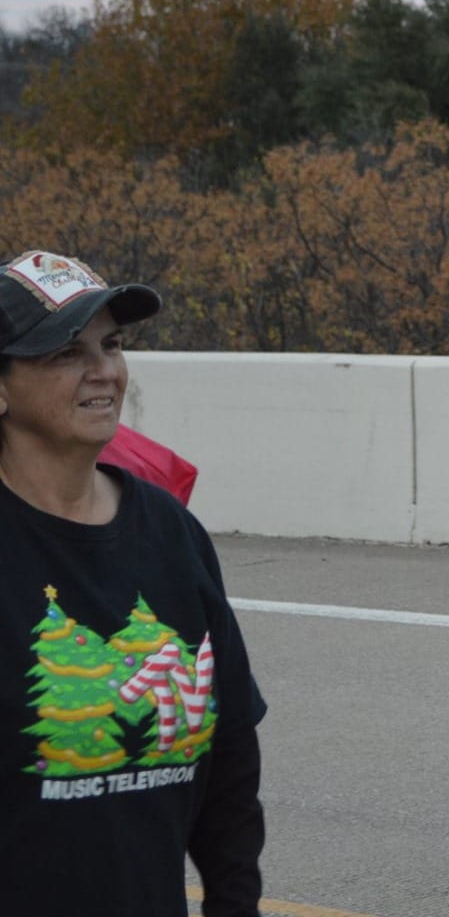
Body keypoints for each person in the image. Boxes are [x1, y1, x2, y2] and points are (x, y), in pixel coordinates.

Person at [0, 251, 266, 916]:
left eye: (111, 344)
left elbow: (230, 760)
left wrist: (235, 905)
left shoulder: (173, 535)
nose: (102, 371)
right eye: (66, 350)